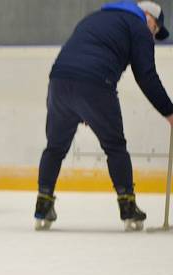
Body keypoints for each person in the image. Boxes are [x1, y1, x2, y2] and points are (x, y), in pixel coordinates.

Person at [35, 0, 173, 231]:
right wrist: (169, 111)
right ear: (149, 18)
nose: (153, 34)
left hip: (59, 81)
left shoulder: (94, 18)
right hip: (96, 83)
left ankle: (43, 203)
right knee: (115, 146)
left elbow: (77, 53)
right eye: (156, 29)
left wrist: (81, 106)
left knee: (55, 147)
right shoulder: (138, 26)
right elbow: (146, 75)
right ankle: (127, 206)